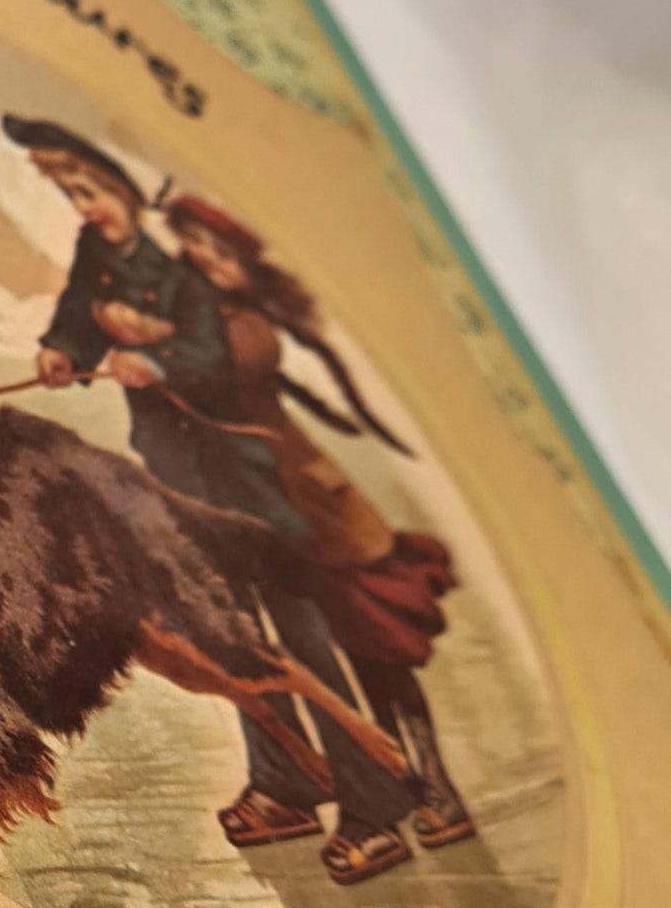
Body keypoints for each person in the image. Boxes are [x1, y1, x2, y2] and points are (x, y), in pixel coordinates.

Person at [2, 115, 419, 883]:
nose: (83, 205)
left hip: (244, 482)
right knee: (229, 631)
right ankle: (289, 785)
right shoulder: (98, 254)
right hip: (177, 482)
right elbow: (76, 317)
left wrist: (157, 362)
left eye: (90, 189)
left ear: (123, 188)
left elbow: (213, 360)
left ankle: (375, 806)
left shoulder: (186, 278)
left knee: (299, 637)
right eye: (70, 193)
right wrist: (65, 351)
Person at [163, 190, 474, 858]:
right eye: (196, 243)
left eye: (223, 253)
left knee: (374, 648)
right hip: (263, 508)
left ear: (250, 270)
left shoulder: (244, 329)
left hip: (313, 509)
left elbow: (216, 370)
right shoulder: (191, 308)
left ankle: (435, 787)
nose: (208, 260)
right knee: (330, 651)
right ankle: (379, 786)